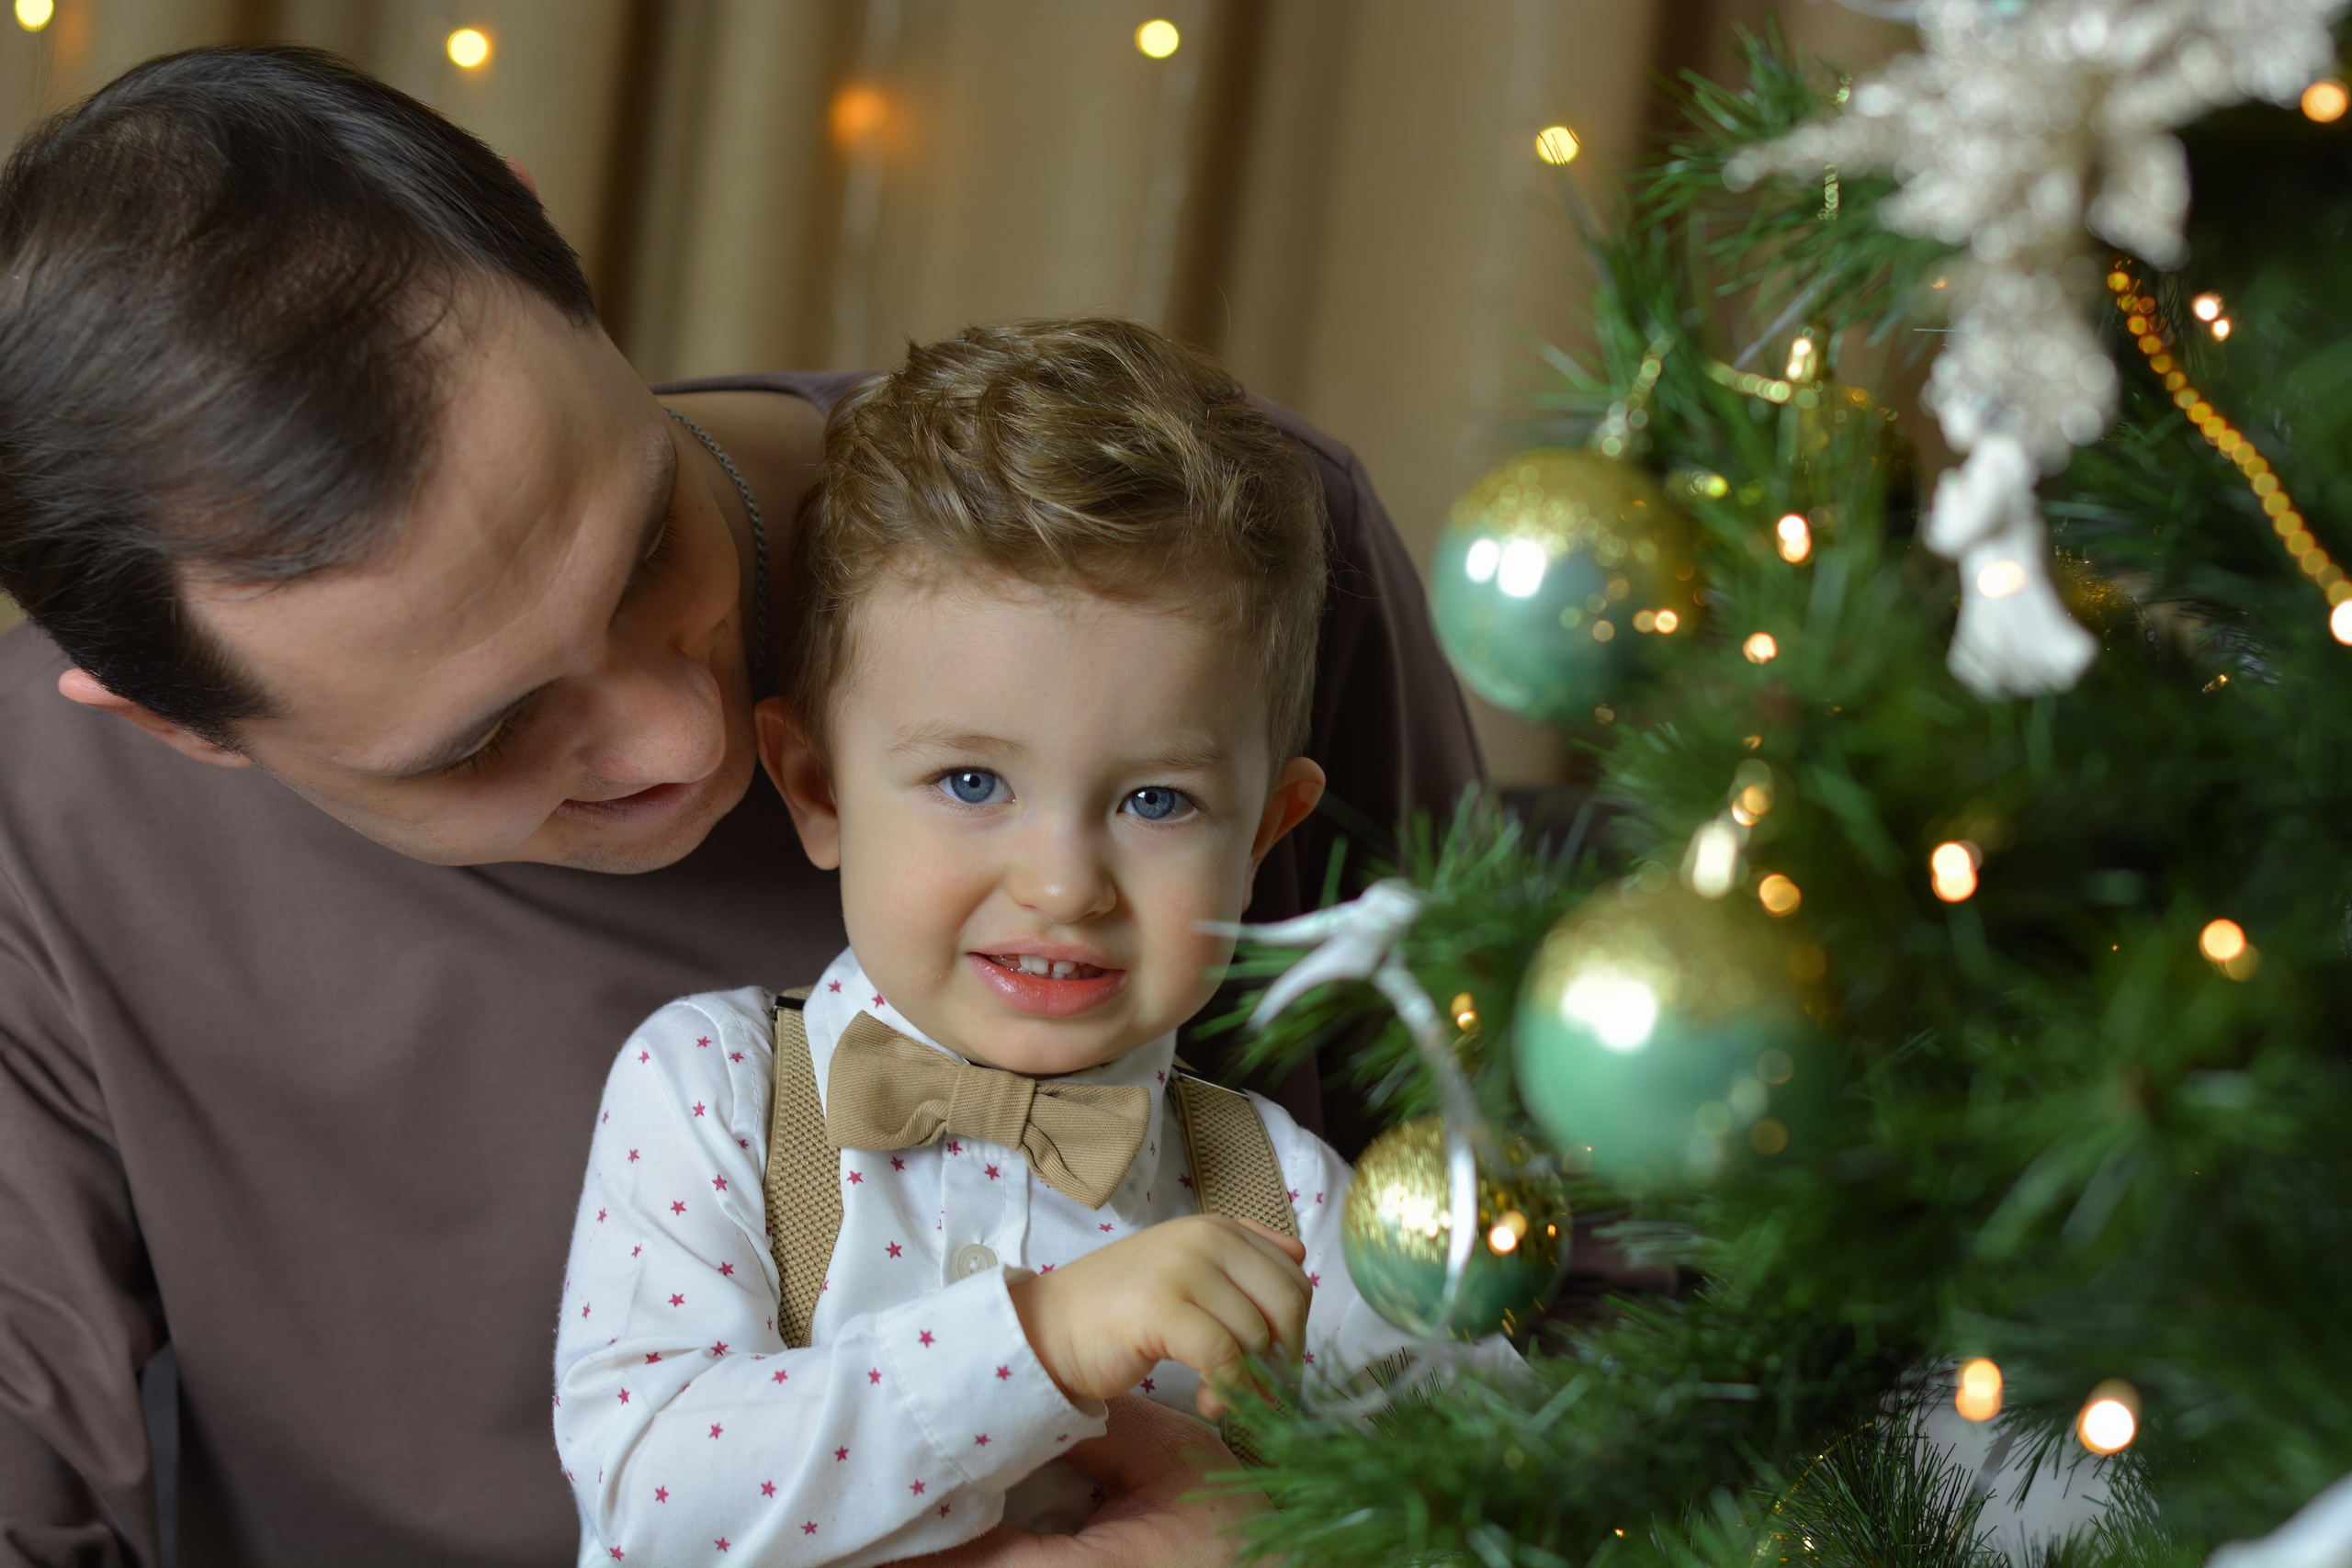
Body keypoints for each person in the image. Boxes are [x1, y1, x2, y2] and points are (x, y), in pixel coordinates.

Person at [0, 44, 1481, 1568]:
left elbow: (1566, 1312)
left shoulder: (1211, 556)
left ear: (536, 226)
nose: (690, 732)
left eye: (649, 541)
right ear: (177, 728)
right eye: (487, 737)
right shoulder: (39, 835)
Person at [556, 321, 1503, 1565]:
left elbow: (1523, 1492)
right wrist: (1042, 1340)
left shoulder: (1292, 1203)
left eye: (1156, 802)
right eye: (971, 782)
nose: (1063, 886)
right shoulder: (712, 1092)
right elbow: (650, 1501)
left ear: (1263, 836)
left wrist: (1275, 1541)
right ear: (819, 790)